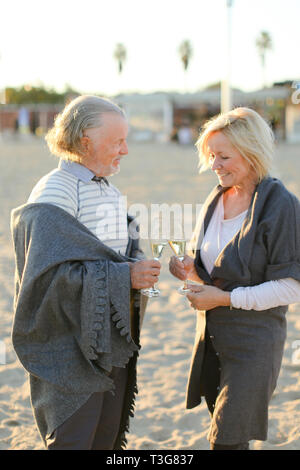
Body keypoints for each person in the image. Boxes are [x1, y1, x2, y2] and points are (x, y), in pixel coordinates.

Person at [10, 95, 161, 450]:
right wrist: (127, 277)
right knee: (74, 440)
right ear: (84, 140)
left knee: (105, 439)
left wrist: (137, 266)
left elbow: (113, 254)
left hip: (107, 340)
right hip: (70, 348)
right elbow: (44, 284)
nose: (125, 150)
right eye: (117, 142)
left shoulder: (106, 187)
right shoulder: (55, 192)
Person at [169, 107, 300, 450]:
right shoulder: (215, 199)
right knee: (227, 436)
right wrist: (187, 271)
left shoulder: (280, 204)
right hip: (210, 342)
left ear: (252, 151)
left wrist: (224, 299)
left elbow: (291, 286)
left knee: (225, 440)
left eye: (224, 156)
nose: (214, 165)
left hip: (253, 346)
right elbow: (207, 277)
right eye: (211, 155)